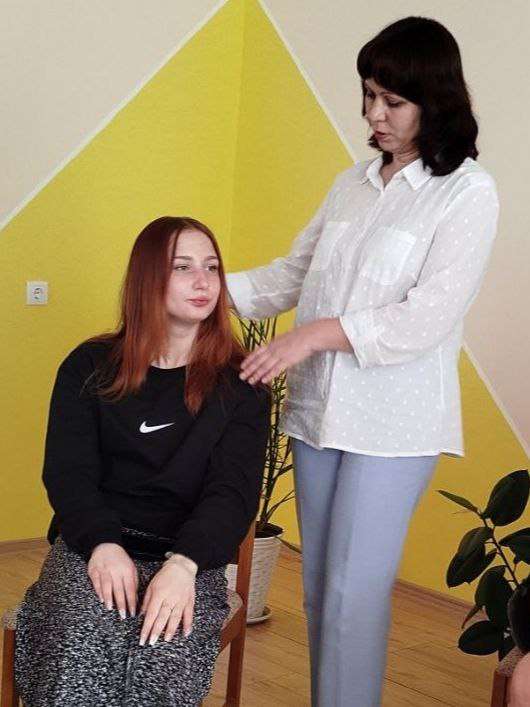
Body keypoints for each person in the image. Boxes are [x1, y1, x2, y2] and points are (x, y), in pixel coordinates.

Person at [227, 16, 499, 707]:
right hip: (320, 413)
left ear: (435, 100)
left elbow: (427, 317)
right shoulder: (351, 184)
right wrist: (200, 285)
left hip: (393, 423)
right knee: (322, 591)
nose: (374, 114)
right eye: (369, 95)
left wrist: (312, 336)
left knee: (355, 592)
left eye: (392, 101)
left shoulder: (467, 193)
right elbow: (293, 274)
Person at [15, 216, 270, 707]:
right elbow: (69, 474)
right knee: (77, 651)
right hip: (95, 549)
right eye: (183, 267)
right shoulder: (88, 366)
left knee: (158, 659)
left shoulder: (243, 383)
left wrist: (185, 566)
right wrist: (102, 545)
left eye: (212, 267)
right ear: (148, 278)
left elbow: (233, 493)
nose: (203, 282)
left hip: (188, 560)